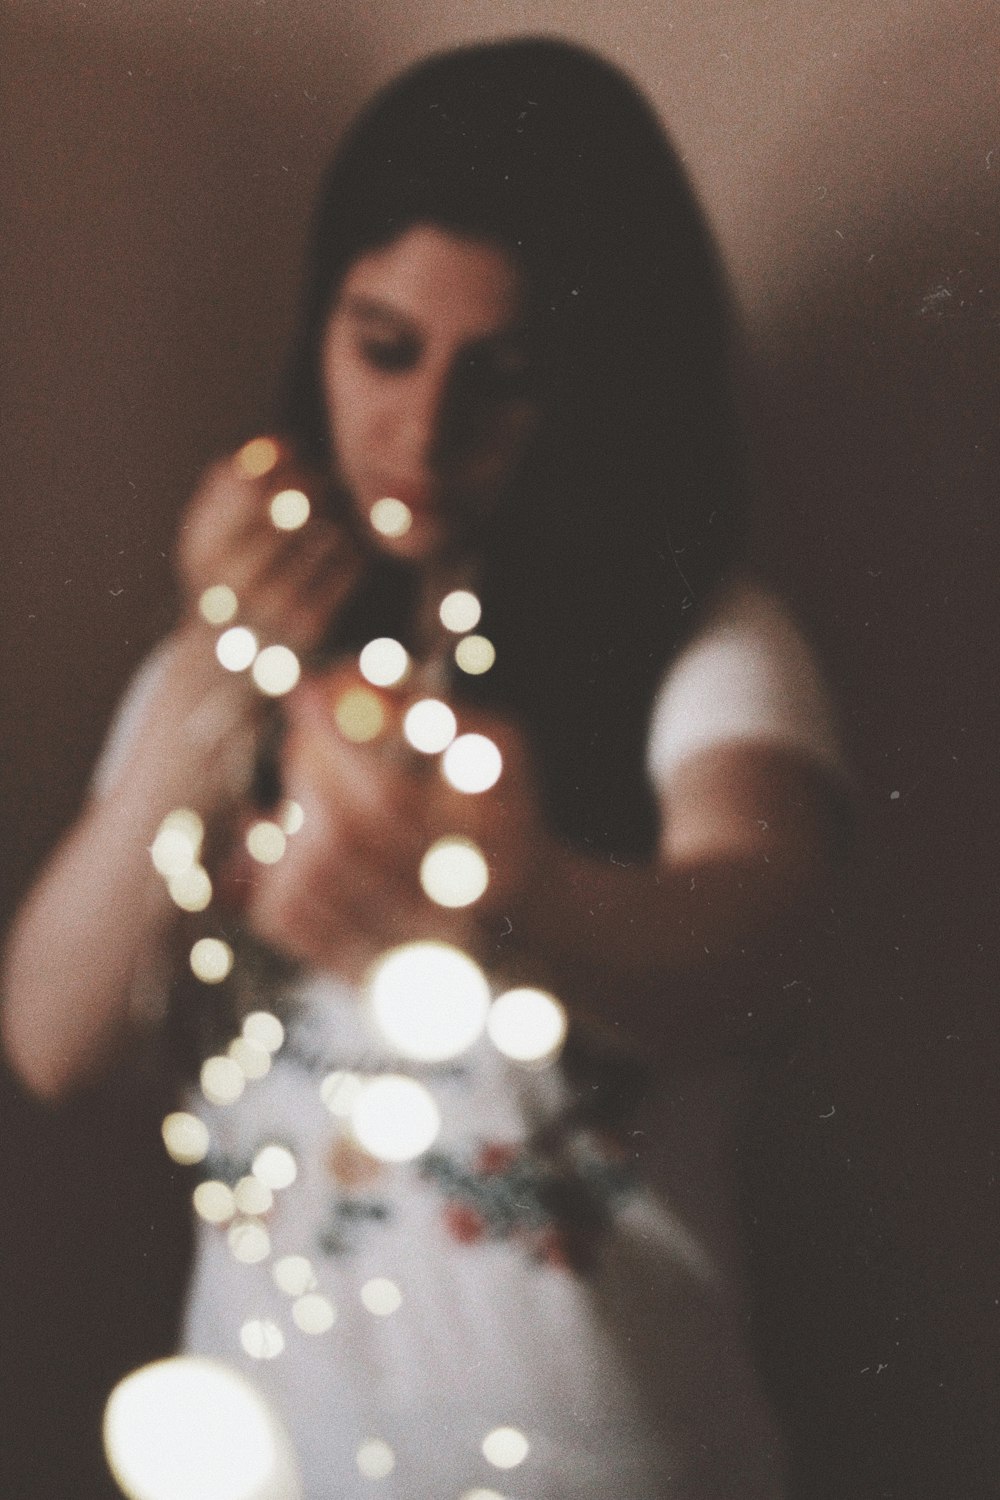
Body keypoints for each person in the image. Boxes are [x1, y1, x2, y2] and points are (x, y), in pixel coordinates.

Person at [2, 37, 848, 1499]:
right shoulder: (228, 674)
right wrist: (224, 661)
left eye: (502, 377)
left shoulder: (703, 642)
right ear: (318, 329)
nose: (422, 429)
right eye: (383, 346)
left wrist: (516, 901)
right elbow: (52, 1036)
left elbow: (760, 938)